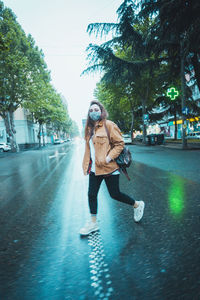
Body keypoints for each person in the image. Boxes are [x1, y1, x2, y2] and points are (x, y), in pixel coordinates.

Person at [80, 100, 145, 236]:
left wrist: (108, 158)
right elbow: (88, 150)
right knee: (91, 194)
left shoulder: (109, 125)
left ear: (101, 110)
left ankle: (137, 205)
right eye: (91, 110)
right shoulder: (88, 129)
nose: (94, 112)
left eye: (96, 109)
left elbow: (120, 144)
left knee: (115, 194)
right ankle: (93, 223)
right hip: (95, 169)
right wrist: (86, 165)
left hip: (110, 168)